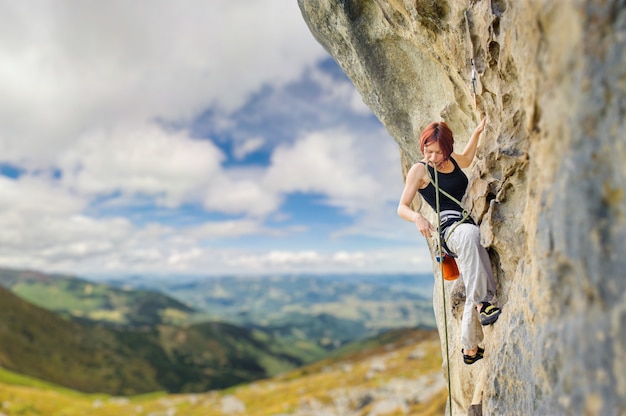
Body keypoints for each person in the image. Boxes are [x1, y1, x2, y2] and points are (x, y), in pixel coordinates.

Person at [397, 116, 500, 365]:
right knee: (471, 236)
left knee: (476, 265)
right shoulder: (420, 170)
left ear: (447, 149)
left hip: (467, 220)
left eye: (436, 151)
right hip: (450, 229)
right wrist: (418, 217)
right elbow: (401, 207)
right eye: (427, 150)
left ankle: (471, 349)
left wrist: (477, 132)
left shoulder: (452, 159)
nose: (431, 156)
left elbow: (467, 156)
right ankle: (483, 304)